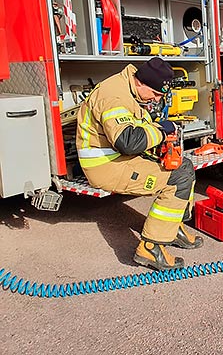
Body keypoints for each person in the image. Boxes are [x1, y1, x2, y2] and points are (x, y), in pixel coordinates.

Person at [76, 57, 203, 271]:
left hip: (118, 159)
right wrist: (161, 131)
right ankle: (150, 248)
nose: (155, 100)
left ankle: (172, 228)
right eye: (154, 95)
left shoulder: (130, 88)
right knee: (178, 179)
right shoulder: (114, 95)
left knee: (184, 167)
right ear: (141, 82)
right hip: (106, 166)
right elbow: (127, 142)